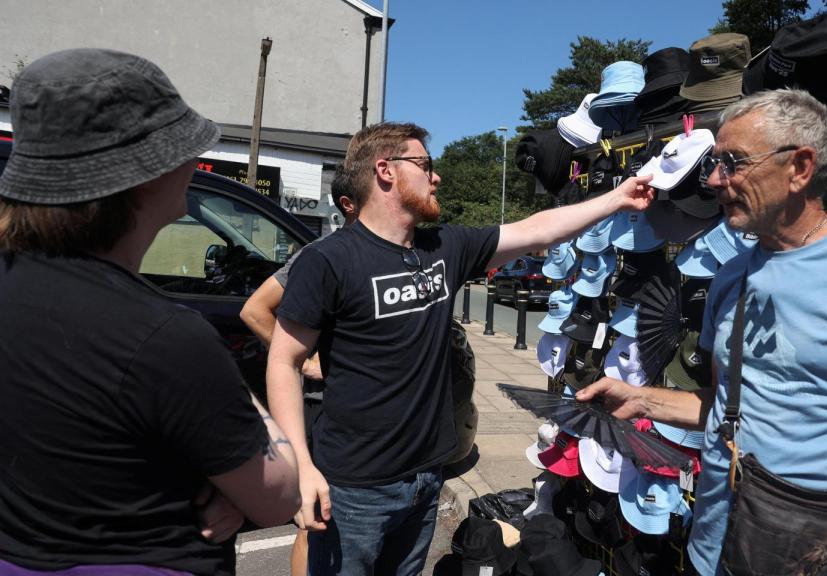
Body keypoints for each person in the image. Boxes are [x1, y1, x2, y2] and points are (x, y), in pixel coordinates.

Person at [578, 89, 827, 575]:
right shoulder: (732, 275)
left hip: (810, 554)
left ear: (800, 168)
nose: (714, 179)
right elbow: (727, 407)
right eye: (715, 164)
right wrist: (641, 399)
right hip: (709, 549)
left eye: (732, 163)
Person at [266, 121, 654, 576]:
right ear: (385, 171)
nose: (436, 177)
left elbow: (537, 230)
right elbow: (283, 360)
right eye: (424, 164)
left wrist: (618, 197)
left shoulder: (443, 247)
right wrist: (301, 468)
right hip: (355, 488)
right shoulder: (328, 259)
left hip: (427, 476)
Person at [0, 49, 300, 575]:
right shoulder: (165, 338)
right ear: (146, 178)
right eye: (183, 146)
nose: (194, 158)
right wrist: (231, 444)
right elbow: (277, 496)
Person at [240, 178, 358, 576]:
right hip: (321, 412)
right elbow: (254, 310)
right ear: (350, 206)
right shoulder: (322, 256)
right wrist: (306, 362)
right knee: (315, 522)